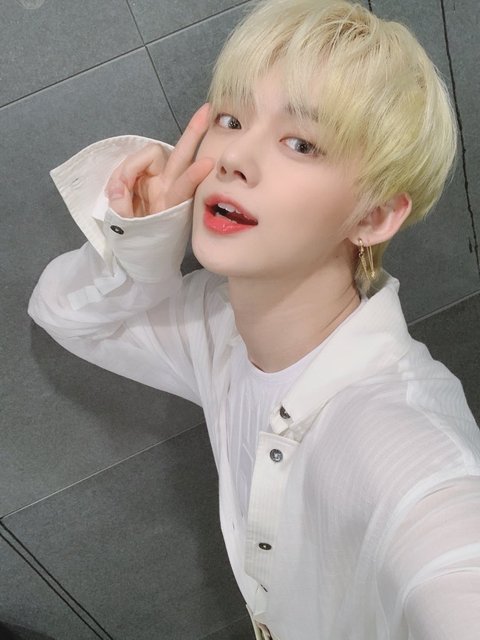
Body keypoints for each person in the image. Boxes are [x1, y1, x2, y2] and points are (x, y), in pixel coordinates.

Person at [28, 0, 480, 638]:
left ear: (374, 216)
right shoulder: (215, 324)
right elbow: (64, 313)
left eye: (301, 143)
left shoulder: (401, 440)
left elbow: (447, 548)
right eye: (232, 119)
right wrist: (147, 242)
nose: (235, 156)